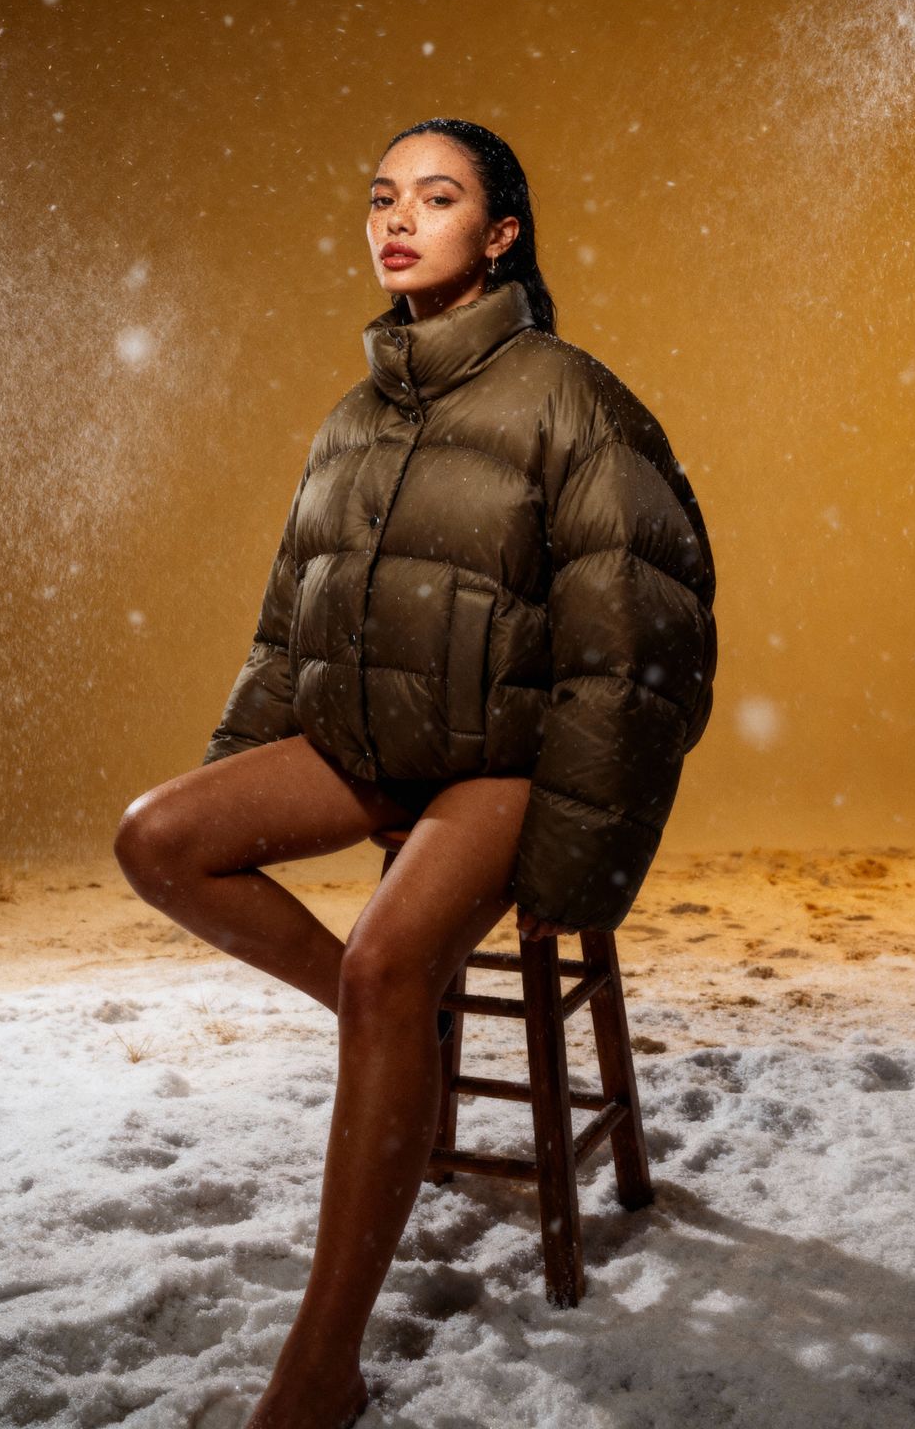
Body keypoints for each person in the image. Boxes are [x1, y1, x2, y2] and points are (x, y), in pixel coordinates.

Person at [113, 116, 717, 1429]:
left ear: (498, 234)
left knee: (395, 966)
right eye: (383, 196)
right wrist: (247, 770)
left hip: (500, 761)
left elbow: (639, 642)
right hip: (370, 743)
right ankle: (391, 1037)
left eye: (435, 199)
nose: (398, 219)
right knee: (156, 836)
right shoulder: (351, 419)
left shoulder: (570, 396)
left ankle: (321, 1371)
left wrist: (580, 863)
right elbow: (296, 618)